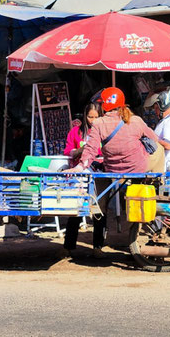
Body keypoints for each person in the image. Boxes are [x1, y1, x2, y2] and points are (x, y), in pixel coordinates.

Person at [65, 87, 164, 258]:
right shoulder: (136, 120)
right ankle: (159, 183)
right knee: (160, 149)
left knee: (99, 203)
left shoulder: (99, 124)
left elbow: (90, 150)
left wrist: (80, 167)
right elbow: (154, 139)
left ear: (104, 106)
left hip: (112, 170)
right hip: (138, 168)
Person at [62, 102, 104, 257]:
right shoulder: (75, 132)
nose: (92, 120)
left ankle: (98, 247)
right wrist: (80, 150)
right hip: (79, 178)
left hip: (99, 176)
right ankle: (68, 247)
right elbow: (67, 151)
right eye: (90, 116)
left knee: (99, 211)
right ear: (85, 116)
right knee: (77, 211)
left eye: (96, 117)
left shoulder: (104, 132)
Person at [144, 87, 170, 185]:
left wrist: (152, 138)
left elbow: (168, 145)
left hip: (169, 174)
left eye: (156, 108)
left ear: (162, 105)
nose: (155, 111)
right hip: (165, 173)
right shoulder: (168, 120)